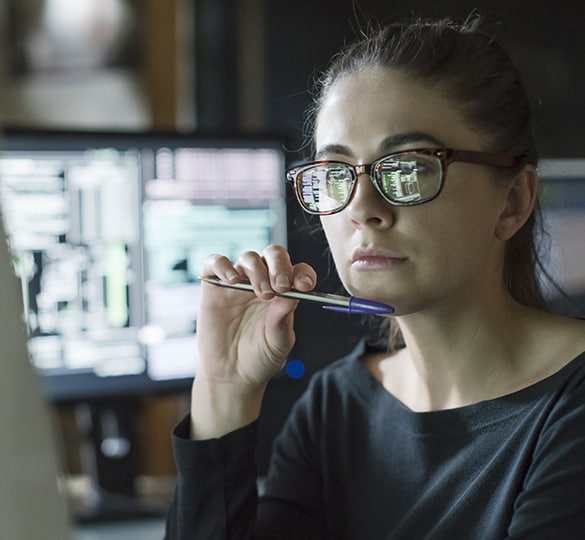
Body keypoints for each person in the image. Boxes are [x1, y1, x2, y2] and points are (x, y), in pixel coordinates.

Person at [164, 15, 585, 539]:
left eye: (408, 167)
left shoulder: (571, 409)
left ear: (513, 201)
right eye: (335, 174)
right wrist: (224, 391)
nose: (363, 209)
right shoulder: (336, 408)